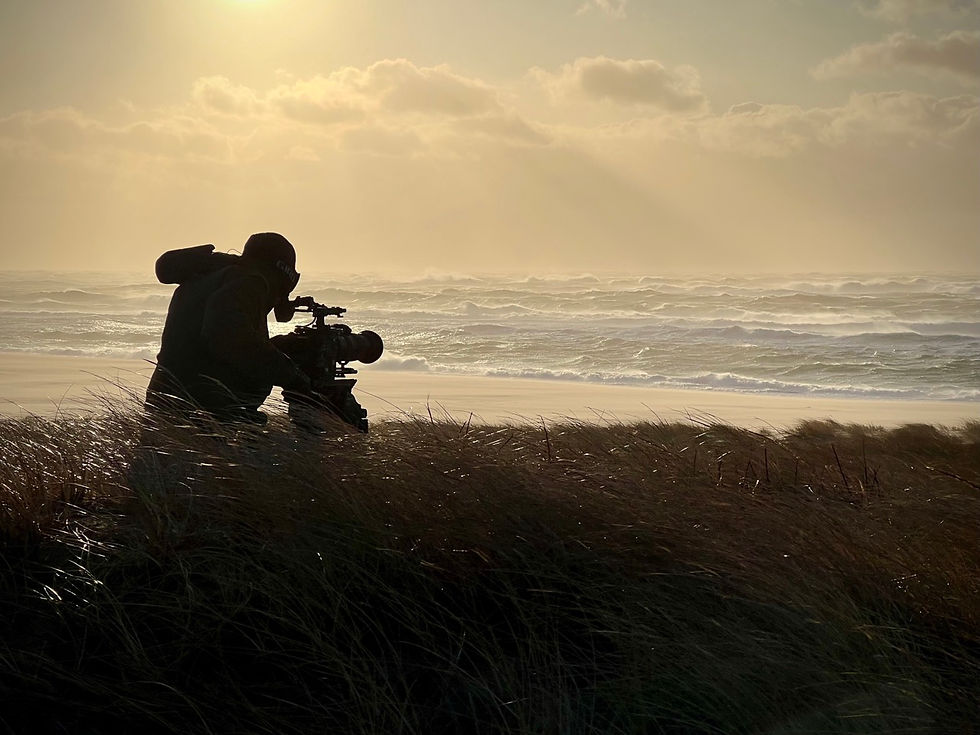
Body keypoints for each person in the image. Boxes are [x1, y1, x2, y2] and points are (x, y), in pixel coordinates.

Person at [145, 232, 311, 424]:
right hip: (200, 411)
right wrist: (291, 375)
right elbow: (228, 336)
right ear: (280, 274)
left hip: (172, 400)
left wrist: (278, 347)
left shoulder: (214, 276)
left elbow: (213, 342)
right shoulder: (250, 282)